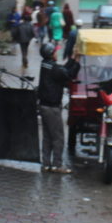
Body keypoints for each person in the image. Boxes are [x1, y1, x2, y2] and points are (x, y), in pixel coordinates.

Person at [37, 43, 81, 173]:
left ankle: (46, 164)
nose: (57, 53)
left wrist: (72, 58)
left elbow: (63, 70)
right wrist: (77, 61)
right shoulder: (54, 68)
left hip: (44, 105)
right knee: (58, 137)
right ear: (51, 54)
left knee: (47, 136)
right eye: (55, 52)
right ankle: (57, 165)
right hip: (52, 107)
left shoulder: (45, 64)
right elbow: (69, 74)